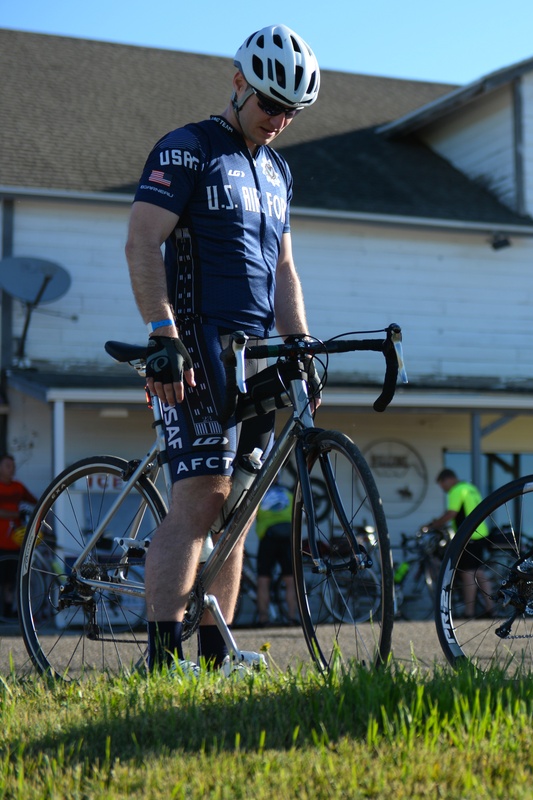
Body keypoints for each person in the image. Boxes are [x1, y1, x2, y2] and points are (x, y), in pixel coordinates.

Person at [125, 24, 321, 671]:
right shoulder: (188, 149)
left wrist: (299, 346)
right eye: (270, 104)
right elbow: (142, 241)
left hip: (255, 351)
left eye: (290, 112)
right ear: (238, 84)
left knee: (239, 504)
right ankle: (159, 660)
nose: (278, 119)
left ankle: (214, 657)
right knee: (203, 497)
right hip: (192, 344)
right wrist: (162, 333)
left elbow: (285, 271)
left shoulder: (278, 170)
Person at [424, 469, 493, 617]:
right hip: (482, 533)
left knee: (467, 573)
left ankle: (469, 612)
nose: (444, 489)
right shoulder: (470, 488)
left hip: (469, 535)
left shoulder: (456, 490)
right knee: (479, 572)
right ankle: (491, 607)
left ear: (447, 480)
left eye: (442, 485)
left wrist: (433, 525)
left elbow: (451, 513)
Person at [253, 484, 299, 626]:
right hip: (288, 538)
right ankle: (292, 617)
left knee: (263, 580)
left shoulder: (259, 493)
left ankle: (263, 619)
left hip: (268, 538)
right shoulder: (289, 493)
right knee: (291, 581)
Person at [0, 454, 37, 619]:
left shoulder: (18, 487)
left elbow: (37, 502)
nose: (12, 468)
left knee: (11, 580)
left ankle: (8, 611)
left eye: (13, 465)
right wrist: (17, 514)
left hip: (15, 541)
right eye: (8, 465)